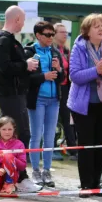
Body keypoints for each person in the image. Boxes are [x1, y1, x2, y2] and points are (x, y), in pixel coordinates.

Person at [67, 14, 102, 197]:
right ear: (86, 31)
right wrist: (95, 71)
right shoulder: (79, 48)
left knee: (101, 144)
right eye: (96, 26)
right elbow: (74, 75)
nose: (101, 29)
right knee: (86, 145)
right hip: (83, 106)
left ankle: (97, 183)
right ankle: (85, 185)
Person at [0, 6, 39, 154]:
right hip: (10, 94)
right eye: (23, 21)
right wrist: (26, 64)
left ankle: (12, 168)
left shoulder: (9, 40)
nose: (23, 24)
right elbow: (4, 67)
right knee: (21, 133)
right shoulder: (4, 40)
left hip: (15, 93)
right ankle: (18, 169)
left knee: (10, 133)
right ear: (17, 19)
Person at [25, 21, 64, 188]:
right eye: (47, 35)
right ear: (38, 35)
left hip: (53, 100)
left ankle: (47, 170)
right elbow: (25, 79)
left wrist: (59, 70)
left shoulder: (55, 52)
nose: (51, 38)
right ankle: (35, 170)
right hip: (37, 100)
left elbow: (62, 79)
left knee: (49, 137)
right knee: (36, 136)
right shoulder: (29, 52)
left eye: (52, 35)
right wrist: (43, 76)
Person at [52, 23, 77, 160]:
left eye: (66, 31)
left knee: (68, 119)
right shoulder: (51, 49)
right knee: (54, 119)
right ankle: (53, 148)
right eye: (61, 31)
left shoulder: (67, 50)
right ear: (54, 34)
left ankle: (72, 149)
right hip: (54, 87)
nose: (65, 34)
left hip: (66, 87)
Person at [0, 116, 27, 196]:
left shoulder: (19, 144)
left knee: (7, 155)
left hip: (13, 175)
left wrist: (11, 158)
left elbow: (22, 166)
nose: (7, 132)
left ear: (14, 129)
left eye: (10, 129)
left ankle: (9, 184)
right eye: (4, 129)